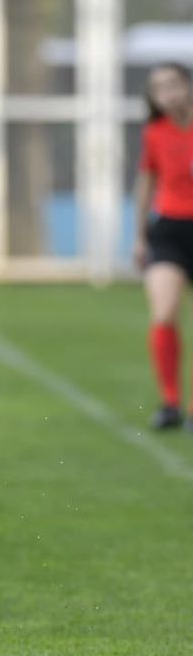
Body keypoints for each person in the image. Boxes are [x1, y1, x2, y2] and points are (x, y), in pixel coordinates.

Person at [132, 62, 193, 430]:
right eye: (159, 88)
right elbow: (146, 181)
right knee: (165, 310)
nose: (167, 92)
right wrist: (139, 235)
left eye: (173, 83)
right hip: (169, 228)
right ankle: (170, 403)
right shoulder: (155, 132)